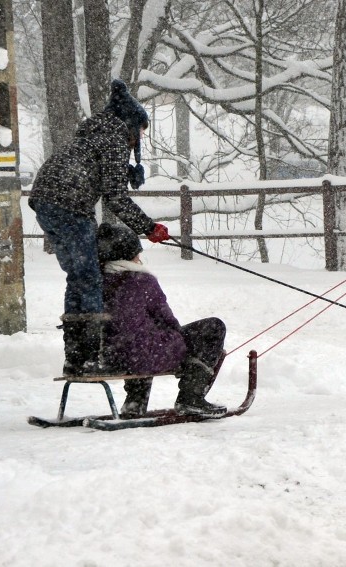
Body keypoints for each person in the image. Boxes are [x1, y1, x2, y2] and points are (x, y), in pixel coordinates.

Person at [28, 79, 171, 376]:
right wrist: (148, 228)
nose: (138, 140)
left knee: (78, 276)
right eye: (140, 133)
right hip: (70, 206)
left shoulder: (96, 132)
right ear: (131, 124)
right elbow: (116, 197)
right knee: (90, 278)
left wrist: (123, 170)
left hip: (45, 202)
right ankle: (92, 357)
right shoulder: (115, 137)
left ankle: (74, 357)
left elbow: (102, 174)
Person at [96, 222, 228, 417]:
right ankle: (191, 397)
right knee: (213, 327)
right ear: (130, 254)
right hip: (138, 356)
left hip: (108, 356)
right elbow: (167, 321)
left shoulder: (95, 281)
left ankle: (135, 404)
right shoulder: (142, 281)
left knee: (138, 339)